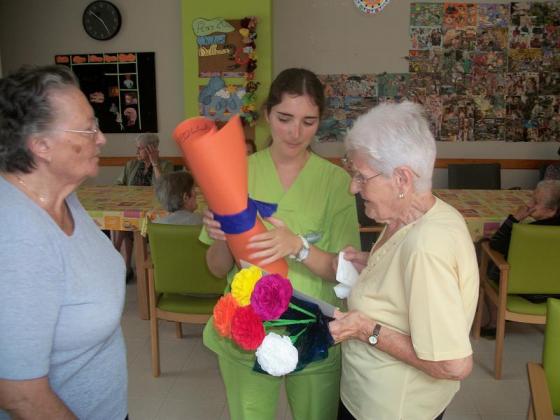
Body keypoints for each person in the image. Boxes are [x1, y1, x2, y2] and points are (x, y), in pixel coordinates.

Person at [201, 68, 360, 420]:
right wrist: (223, 239)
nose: (295, 132)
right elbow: (216, 267)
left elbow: (345, 270)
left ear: (320, 121)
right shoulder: (234, 173)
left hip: (314, 329)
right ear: (267, 114)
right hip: (248, 328)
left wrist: (298, 247)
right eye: (284, 118)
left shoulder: (336, 182)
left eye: (308, 121)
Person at [328, 101, 479, 420]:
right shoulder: (412, 216)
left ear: (402, 180)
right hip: (372, 395)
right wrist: (373, 263)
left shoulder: (427, 246)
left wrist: (365, 329)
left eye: (361, 176)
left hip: (390, 408)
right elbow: (410, 278)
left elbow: (453, 365)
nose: (353, 186)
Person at [0, 65, 127, 419]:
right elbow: (20, 395)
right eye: (88, 129)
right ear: (41, 146)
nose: (101, 138)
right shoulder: (17, 238)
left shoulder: (64, 197)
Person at [480, 179, 560, 336]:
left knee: (491, 261)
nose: (529, 204)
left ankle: (495, 324)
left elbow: (496, 245)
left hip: (525, 290)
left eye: (535, 202)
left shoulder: (526, 232)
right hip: (557, 291)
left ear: (552, 209)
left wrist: (515, 218)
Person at [115, 132, 173, 280]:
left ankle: (115, 253)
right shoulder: (131, 165)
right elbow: (119, 186)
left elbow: (164, 189)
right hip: (132, 210)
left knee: (125, 225)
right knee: (124, 221)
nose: (136, 151)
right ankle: (125, 265)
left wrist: (155, 164)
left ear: (150, 149)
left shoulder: (166, 165)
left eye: (139, 148)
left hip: (154, 212)